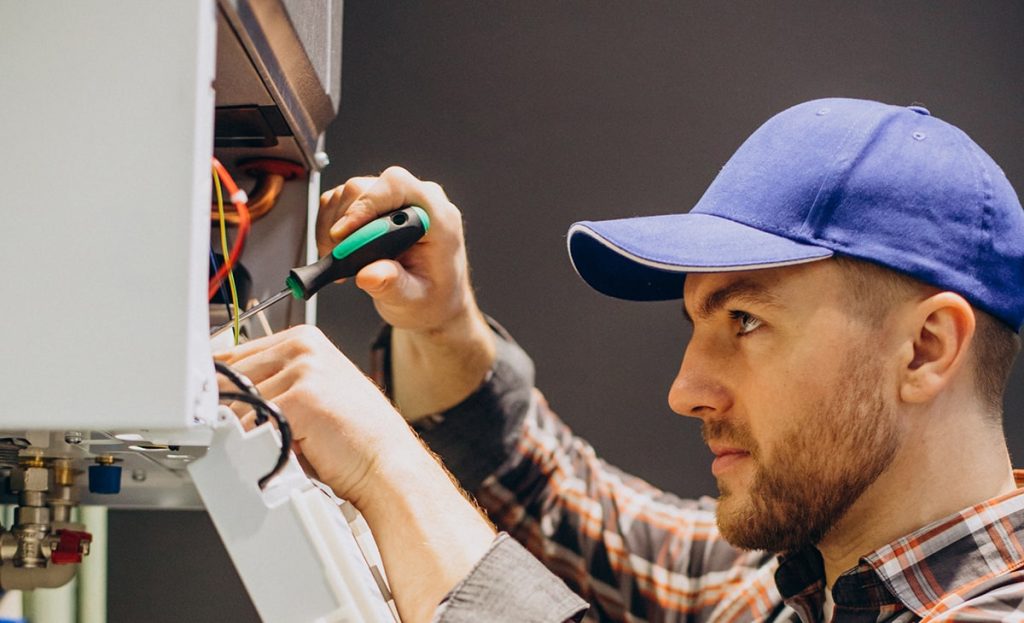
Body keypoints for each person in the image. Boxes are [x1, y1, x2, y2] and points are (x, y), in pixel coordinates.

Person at [216, 98, 1024, 622]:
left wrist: (388, 464)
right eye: (696, 323)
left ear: (925, 349)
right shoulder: (795, 586)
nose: (685, 390)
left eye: (744, 320)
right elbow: (570, 509)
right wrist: (442, 324)